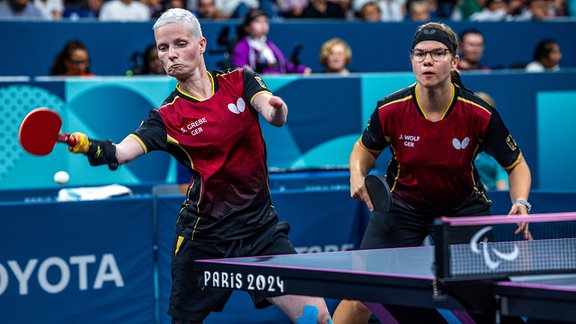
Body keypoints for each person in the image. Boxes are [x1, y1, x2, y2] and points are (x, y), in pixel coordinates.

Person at [66, 8, 331, 324]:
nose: (171, 55)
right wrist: (87, 145)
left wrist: (276, 112)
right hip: (205, 237)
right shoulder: (166, 117)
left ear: (202, 44)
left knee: (316, 316)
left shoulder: (238, 80)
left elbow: (268, 107)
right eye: (163, 48)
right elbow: (122, 152)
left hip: (260, 230)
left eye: (180, 44)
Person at [332, 21, 532, 324]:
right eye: (420, 54)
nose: (427, 61)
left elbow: (516, 164)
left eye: (438, 53)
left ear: (454, 61)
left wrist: (521, 201)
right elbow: (364, 148)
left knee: (480, 302)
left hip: (463, 209)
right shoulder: (391, 109)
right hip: (401, 207)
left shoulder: (478, 112)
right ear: (411, 59)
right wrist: (356, 175)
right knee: (362, 293)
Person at [231, 9, 312, 74]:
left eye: (265, 22)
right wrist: (244, 70)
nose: (263, 25)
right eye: (258, 21)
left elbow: (285, 65)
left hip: (279, 82)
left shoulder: (270, 45)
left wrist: (302, 70)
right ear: (247, 27)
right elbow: (238, 66)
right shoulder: (243, 46)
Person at [474, 92, 509, 191]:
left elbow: (502, 173)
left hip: (495, 194)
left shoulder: (500, 139)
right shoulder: (463, 140)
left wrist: (501, 195)